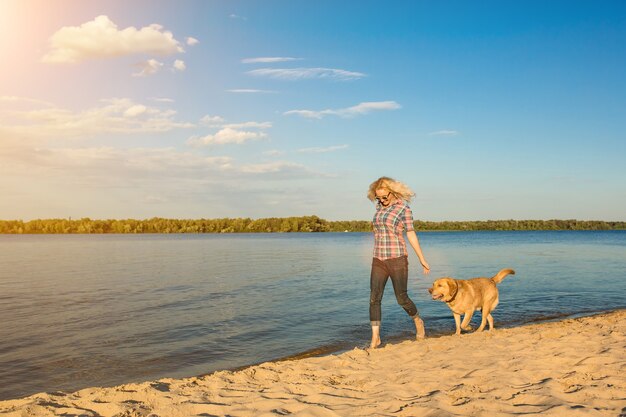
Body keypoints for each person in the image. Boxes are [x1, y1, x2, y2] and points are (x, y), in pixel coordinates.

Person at [367, 176, 430, 348]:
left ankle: (417, 320)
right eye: (378, 198)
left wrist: (421, 258)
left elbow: (410, 233)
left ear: (393, 192)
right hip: (378, 258)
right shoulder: (379, 208)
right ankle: (375, 339)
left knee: (401, 298)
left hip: (397, 258)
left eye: (384, 197)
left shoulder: (403, 208)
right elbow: (377, 231)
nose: (381, 200)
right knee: (374, 298)